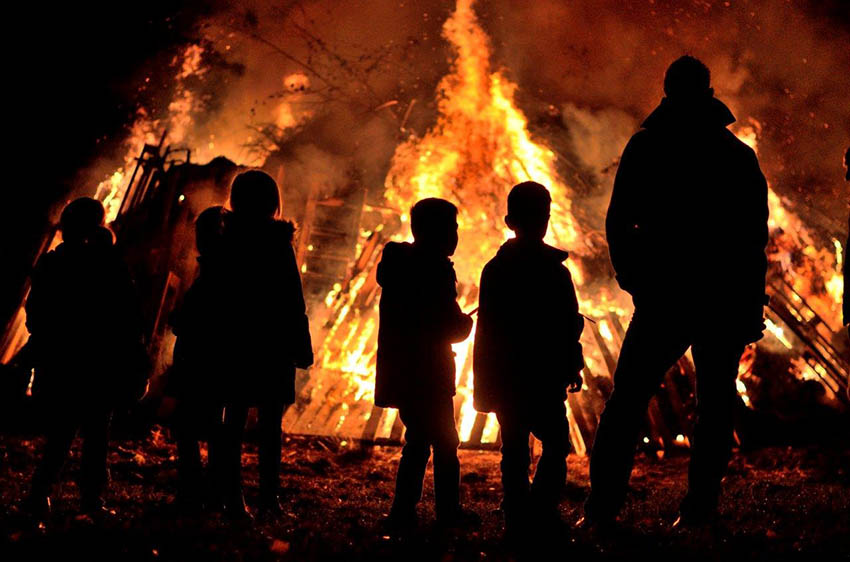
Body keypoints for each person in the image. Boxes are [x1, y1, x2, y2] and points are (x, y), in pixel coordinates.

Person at [583, 55, 769, 528]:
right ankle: (698, 509)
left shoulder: (648, 148)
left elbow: (620, 223)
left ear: (667, 92)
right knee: (711, 407)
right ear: (708, 92)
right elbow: (752, 240)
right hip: (715, 298)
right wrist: (746, 304)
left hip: (667, 297)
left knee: (626, 404)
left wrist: (635, 279)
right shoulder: (735, 155)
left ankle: (603, 508)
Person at [473, 181, 584, 537]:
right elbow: (568, 325)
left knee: (515, 448)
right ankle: (540, 508)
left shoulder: (495, 269)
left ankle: (519, 512)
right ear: (544, 221)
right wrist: (572, 364)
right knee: (555, 443)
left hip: (508, 377)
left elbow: (487, 331)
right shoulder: (555, 271)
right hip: (543, 376)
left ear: (509, 221)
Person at [24, 197, 146, 518]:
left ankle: (41, 494)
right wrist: (135, 361)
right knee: (96, 436)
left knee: (61, 435)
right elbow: (129, 316)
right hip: (96, 366)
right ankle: (90, 500)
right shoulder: (107, 264)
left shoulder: (52, 264)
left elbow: (35, 316)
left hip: (63, 365)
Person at [215, 170, 313, 519]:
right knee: (270, 427)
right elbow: (292, 300)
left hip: (236, 343)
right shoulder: (278, 245)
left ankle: (233, 498)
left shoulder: (226, 244)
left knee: (233, 422)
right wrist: (300, 345)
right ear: (274, 204)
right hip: (272, 346)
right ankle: (268, 500)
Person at [375, 198, 474, 531]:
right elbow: (445, 325)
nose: (457, 235)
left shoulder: (398, 264)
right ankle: (444, 513)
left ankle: (404, 512)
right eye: (454, 228)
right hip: (430, 372)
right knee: (444, 442)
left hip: (403, 371)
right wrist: (465, 325)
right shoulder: (436, 269)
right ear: (439, 232)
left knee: (418, 439)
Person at [167, 205, 228, 513]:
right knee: (210, 425)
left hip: (201, 361)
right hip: (208, 360)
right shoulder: (218, 269)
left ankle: (195, 490)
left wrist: (180, 320)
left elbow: (200, 316)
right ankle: (210, 490)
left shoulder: (216, 272)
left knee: (190, 427)